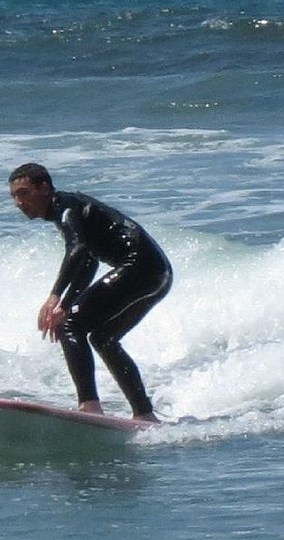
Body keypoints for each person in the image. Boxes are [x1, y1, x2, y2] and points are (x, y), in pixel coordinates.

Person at [8, 163, 172, 421]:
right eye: (14, 196)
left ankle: (89, 405)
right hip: (156, 273)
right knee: (102, 337)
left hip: (139, 267)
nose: (18, 202)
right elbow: (88, 261)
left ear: (45, 188)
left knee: (70, 325)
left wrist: (55, 297)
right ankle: (144, 413)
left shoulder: (68, 208)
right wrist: (67, 302)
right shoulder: (66, 211)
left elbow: (79, 250)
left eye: (24, 193)